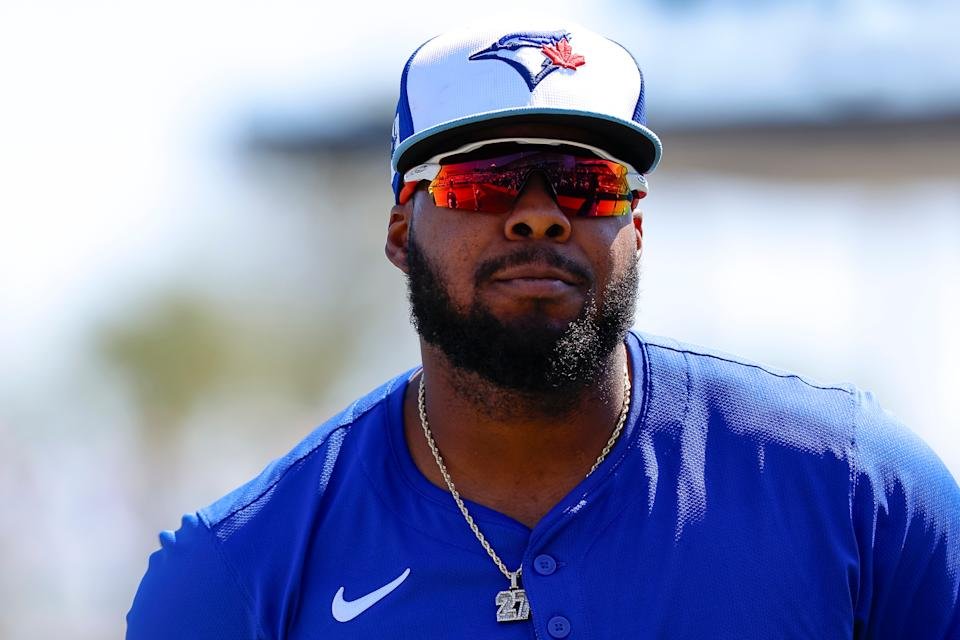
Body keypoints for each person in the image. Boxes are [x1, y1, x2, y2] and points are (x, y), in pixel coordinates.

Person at [127, 23, 960, 639]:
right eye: (482, 180)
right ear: (398, 231)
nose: (537, 217)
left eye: (584, 180)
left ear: (637, 226)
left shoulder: (860, 495)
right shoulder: (236, 573)